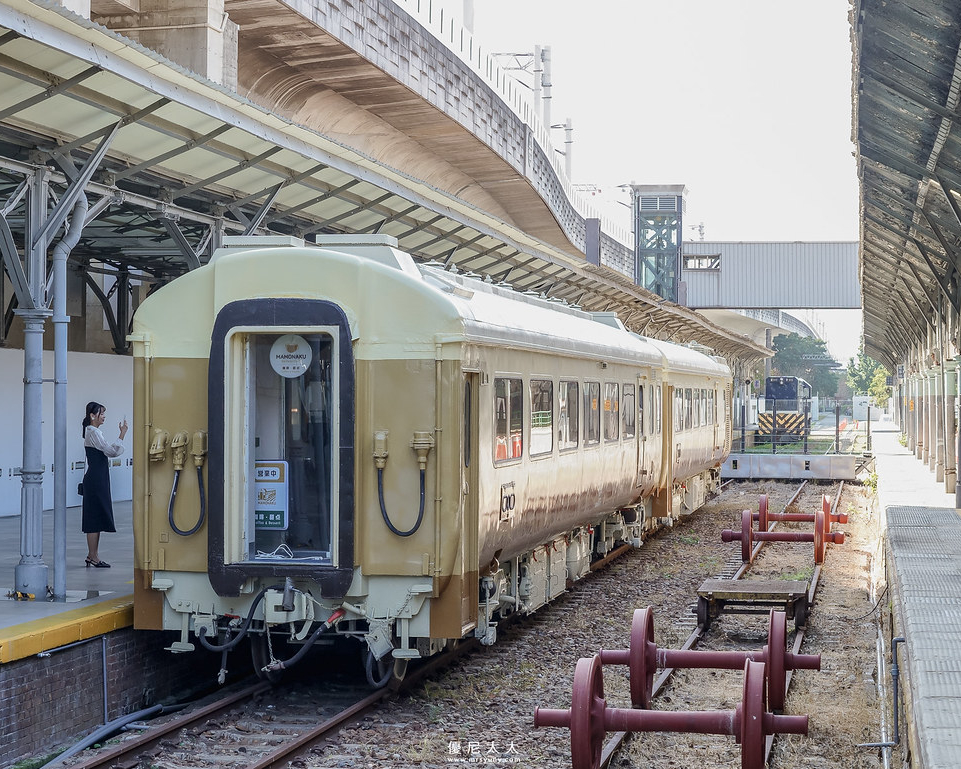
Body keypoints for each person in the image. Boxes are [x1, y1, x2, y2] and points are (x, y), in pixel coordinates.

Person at [81, 401, 127, 568]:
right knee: (94, 518)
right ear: (93, 416)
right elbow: (111, 451)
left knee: (97, 516)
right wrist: (122, 434)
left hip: (98, 478)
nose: (104, 416)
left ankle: (92, 555)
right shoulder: (93, 432)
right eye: (101, 413)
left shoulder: (94, 431)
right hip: (96, 479)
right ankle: (93, 556)